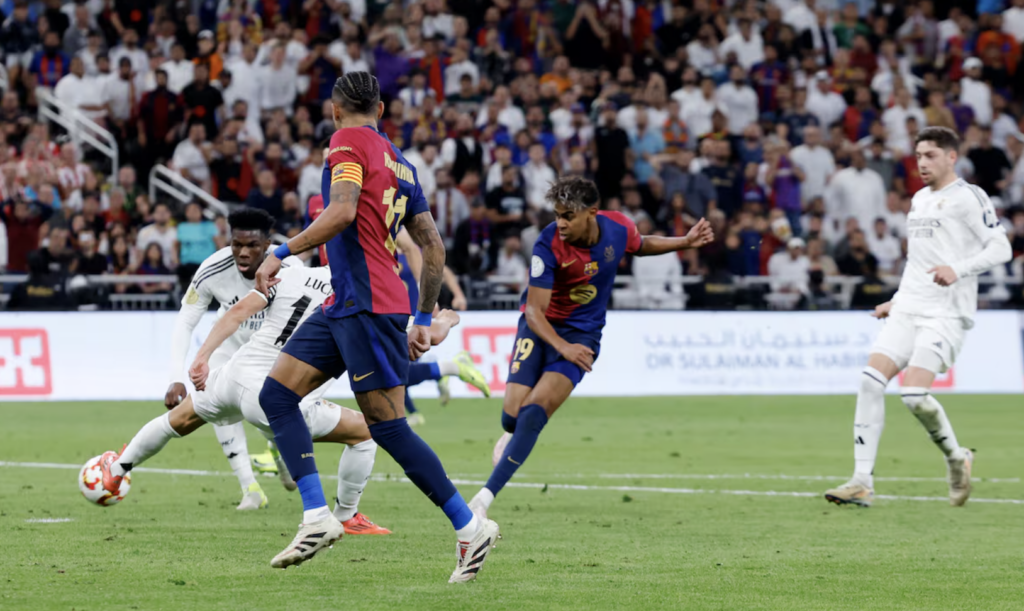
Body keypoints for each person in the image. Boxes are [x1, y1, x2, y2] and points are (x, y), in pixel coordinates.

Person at [252, 72, 500, 581]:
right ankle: (318, 517)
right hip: (349, 303)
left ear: (336, 109)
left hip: (367, 305)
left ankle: (470, 528)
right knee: (276, 395)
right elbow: (433, 246)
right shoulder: (402, 163)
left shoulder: (344, 143)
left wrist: (281, 250)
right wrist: (424, 316)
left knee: (387, 427)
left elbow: (341, 212)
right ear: (382, 109)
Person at [95, 264, 415, 535]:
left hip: (235, 374)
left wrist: (202, 358)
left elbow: (237, 312)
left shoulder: (292, 273)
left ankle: (117, 470)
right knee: (364, 435)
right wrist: (437, 321)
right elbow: (410, 341)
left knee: (178, 419)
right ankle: (345, 515)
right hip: (279, 395)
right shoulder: (366, 296)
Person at [466, 177, 714, 519]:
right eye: (557, 215)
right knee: (511, 417)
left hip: (583, 335)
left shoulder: (617, 227)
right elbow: (535, 311)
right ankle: (513, 434)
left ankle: (482, 501)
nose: (561, 223)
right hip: (540, 329)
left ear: (591, 213)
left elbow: (641, 244)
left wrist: (684, 242)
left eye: (568, 215)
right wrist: (562, 347)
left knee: (535, 412)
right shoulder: (547, 244)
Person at [824, 127, 1012, 508]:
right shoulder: (919, 199)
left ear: (950, 157)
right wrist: (897, 299)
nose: (921, 163)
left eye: (929, 155)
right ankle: (862, 482)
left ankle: (957, 458)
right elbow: (918, 261)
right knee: (870, 381)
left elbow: (1002, 248)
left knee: (913, 395)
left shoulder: (969, 197)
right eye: (918, 155)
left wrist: (958, 269)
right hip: (910, 307)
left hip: (946, 313)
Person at [158, 208, 300, 510]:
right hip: (228, 347)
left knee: (269, 413)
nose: (243, 252)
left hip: (271, 352)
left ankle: (281, 456)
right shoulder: (213, 268)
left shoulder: (290, 265)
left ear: (267, 245)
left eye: (252, 245)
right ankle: (250, 488)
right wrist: (175, 376)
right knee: (211, 399)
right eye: (237, 244)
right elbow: (185, 321)